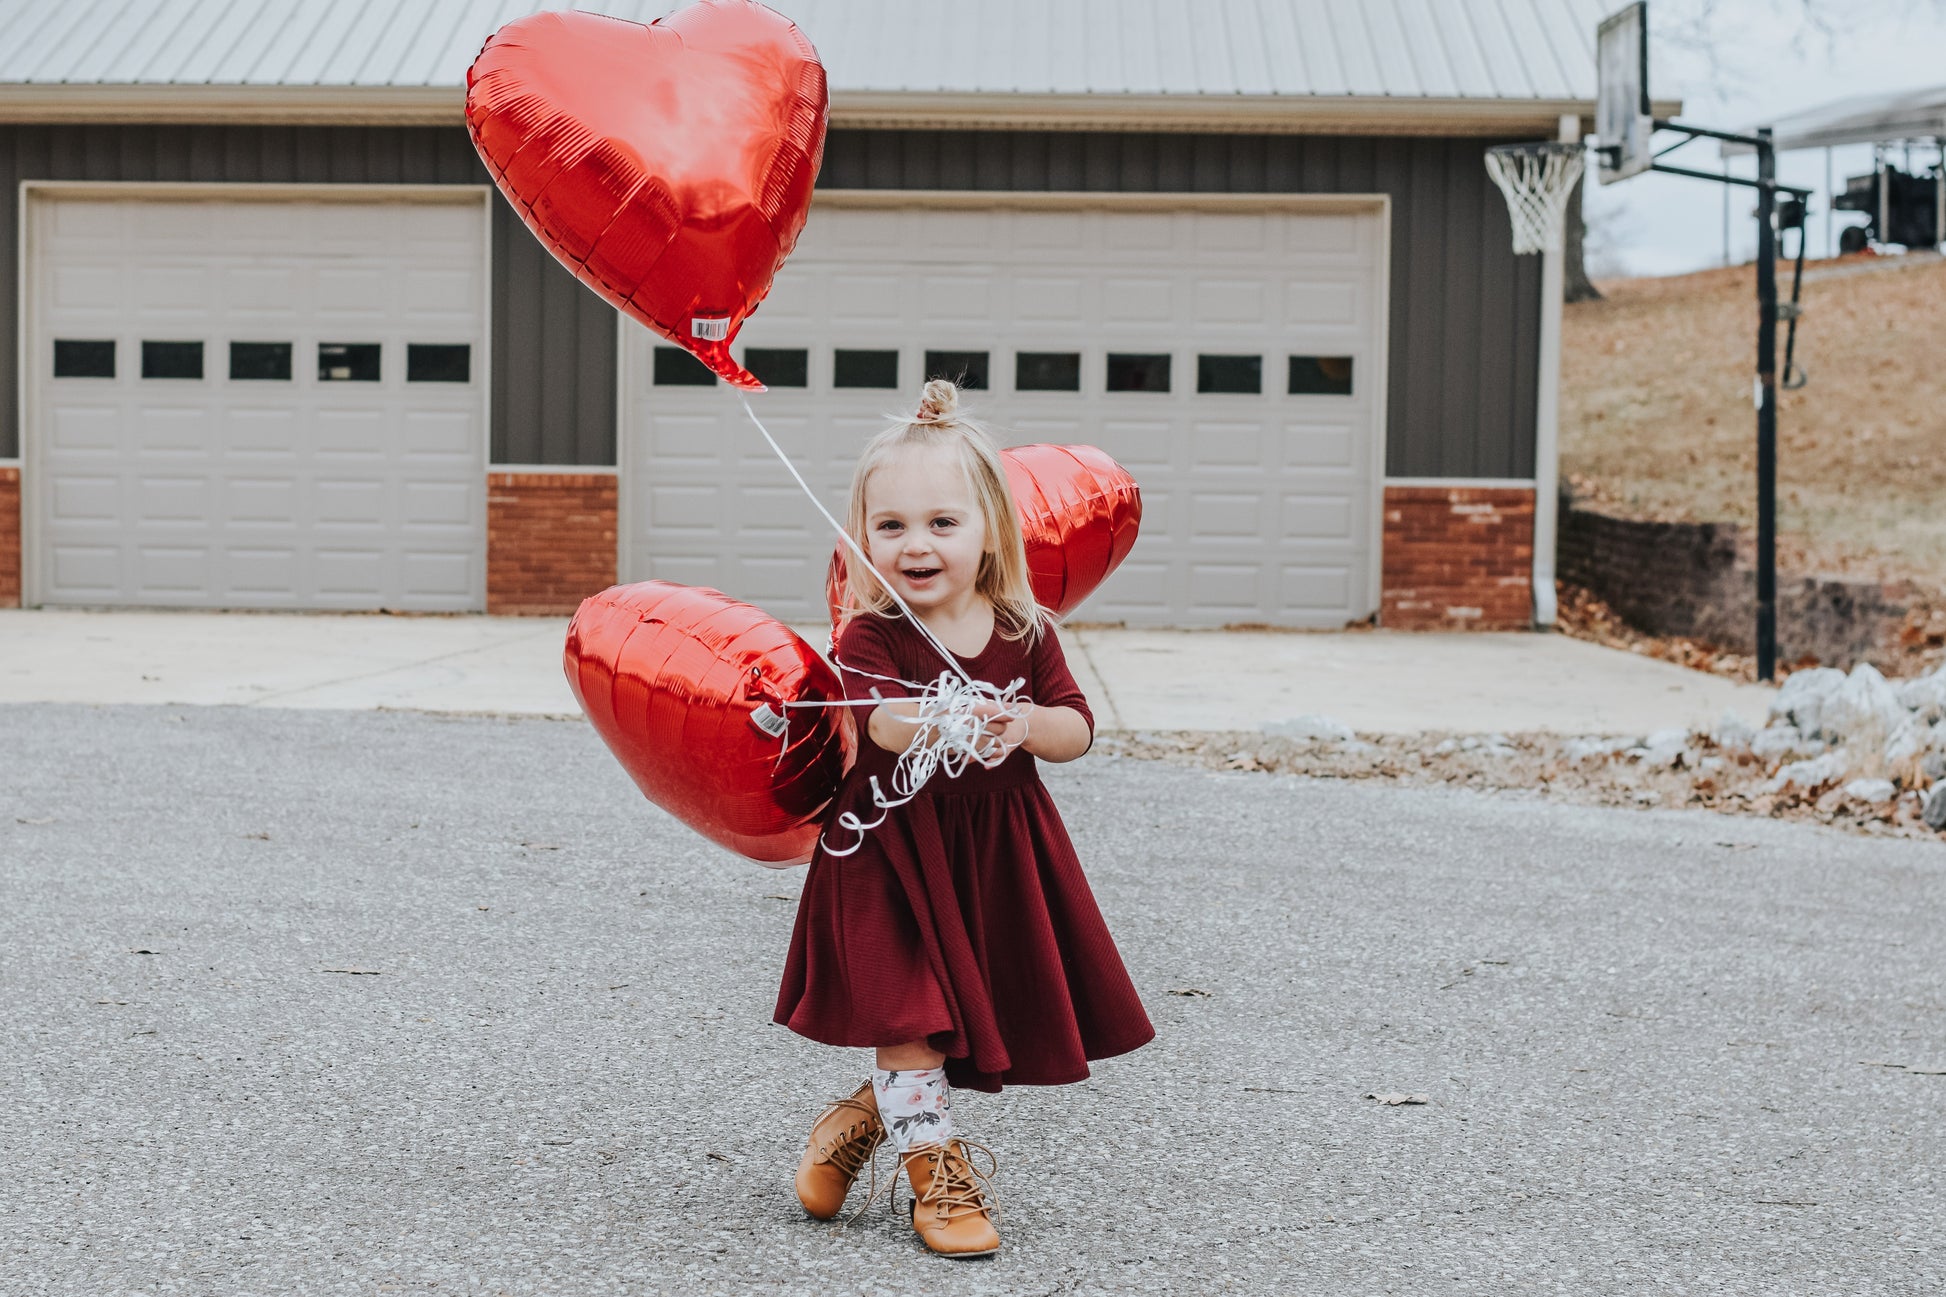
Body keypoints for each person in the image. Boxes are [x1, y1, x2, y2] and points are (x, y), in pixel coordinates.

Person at [773, 379, 1155, 1259]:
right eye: (892, 525)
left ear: (991, 531)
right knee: (907, 1013)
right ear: (863, 537)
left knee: (960, 1020)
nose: (916, 544)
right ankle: (937, 1180)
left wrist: (1018, 722)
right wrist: (945, 713)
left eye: (943, 523)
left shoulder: (1025, 628)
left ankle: (866, 1116)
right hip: (887, 850)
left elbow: (1075, 727)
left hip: (992, 852)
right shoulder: (872, 634)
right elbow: (879, 718)